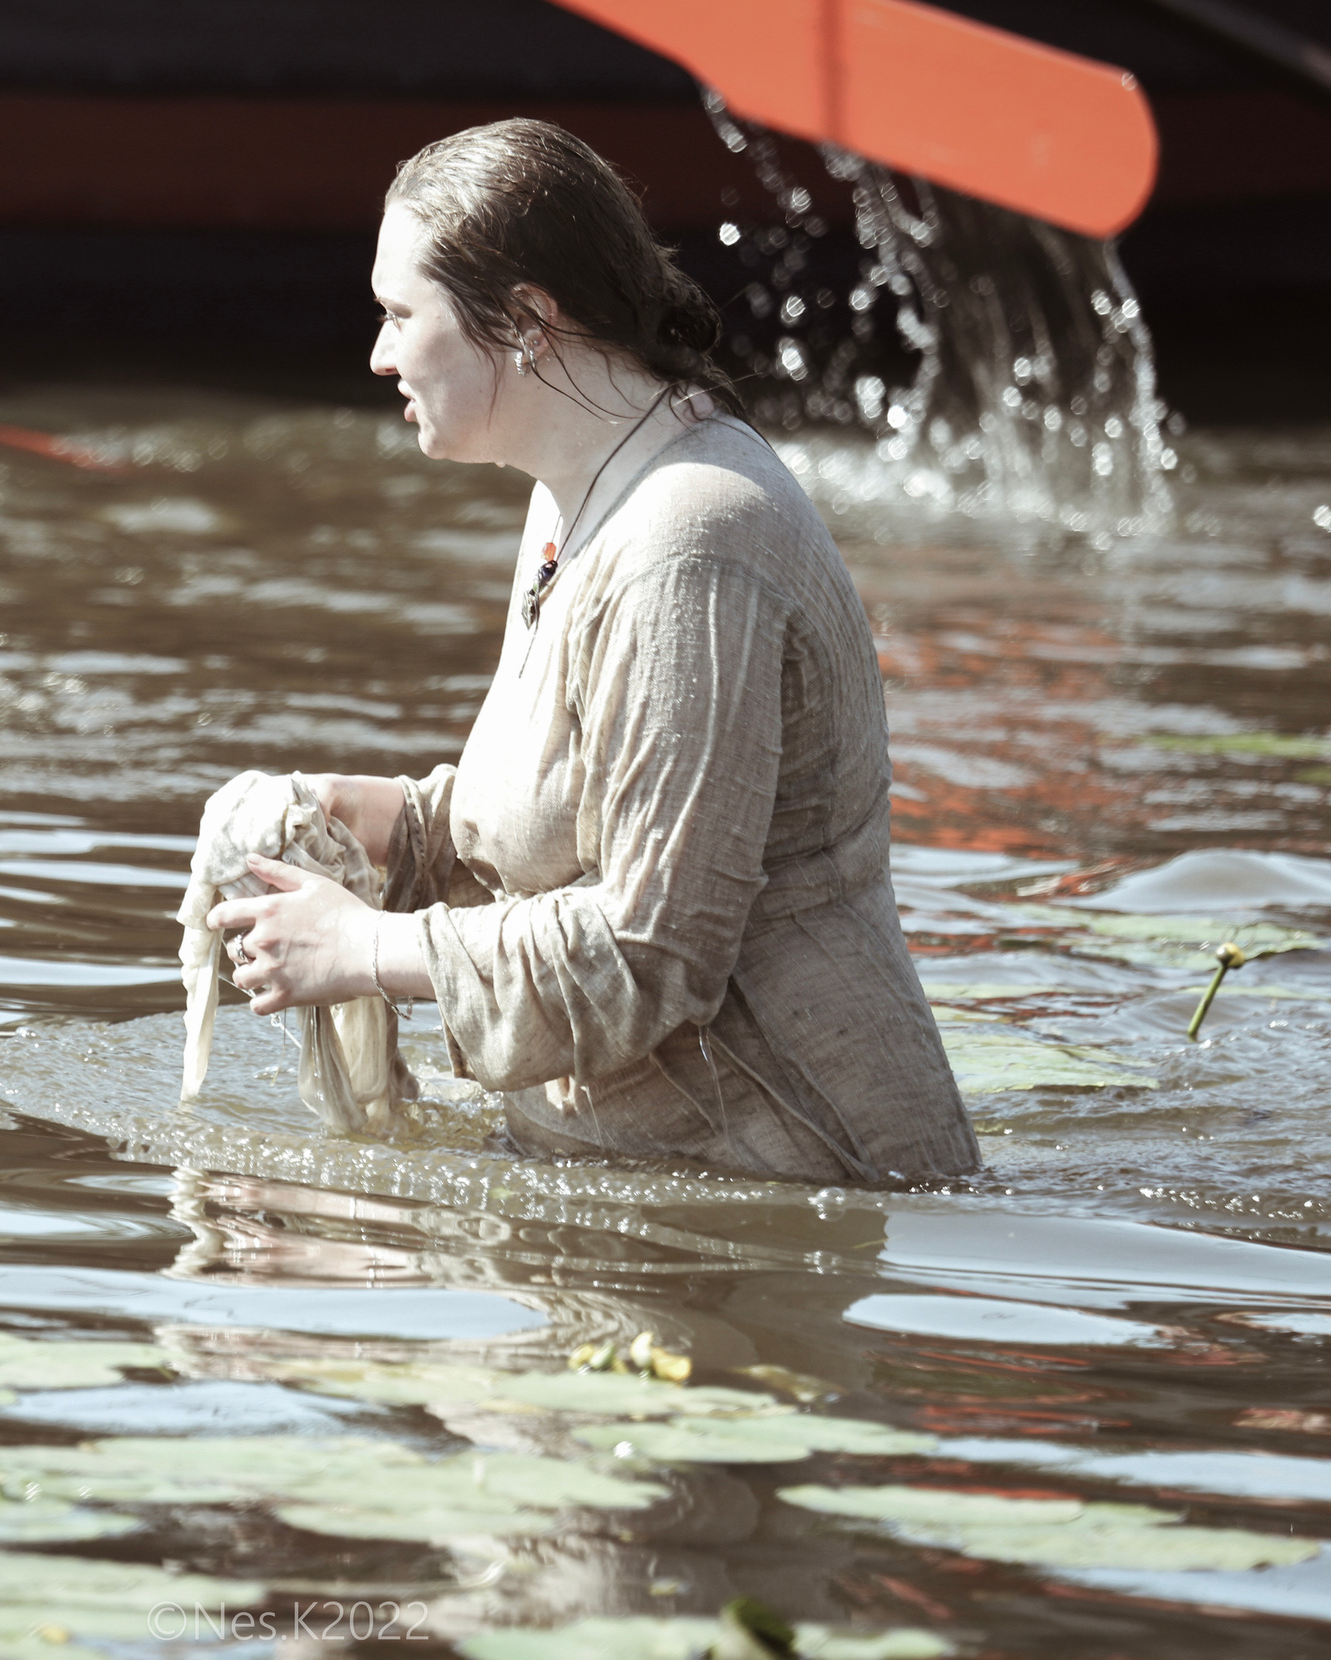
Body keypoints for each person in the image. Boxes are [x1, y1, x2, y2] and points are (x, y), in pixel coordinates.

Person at [204, 119, 979, 1186]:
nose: (378, 353)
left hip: (792, 1183)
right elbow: (568, 826)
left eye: (399, 314)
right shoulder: (571, 494)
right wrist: (389, 825)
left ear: (526, 321)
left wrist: (365, 951)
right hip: (645, 1181)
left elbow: (653, 949)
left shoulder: (691, 542)